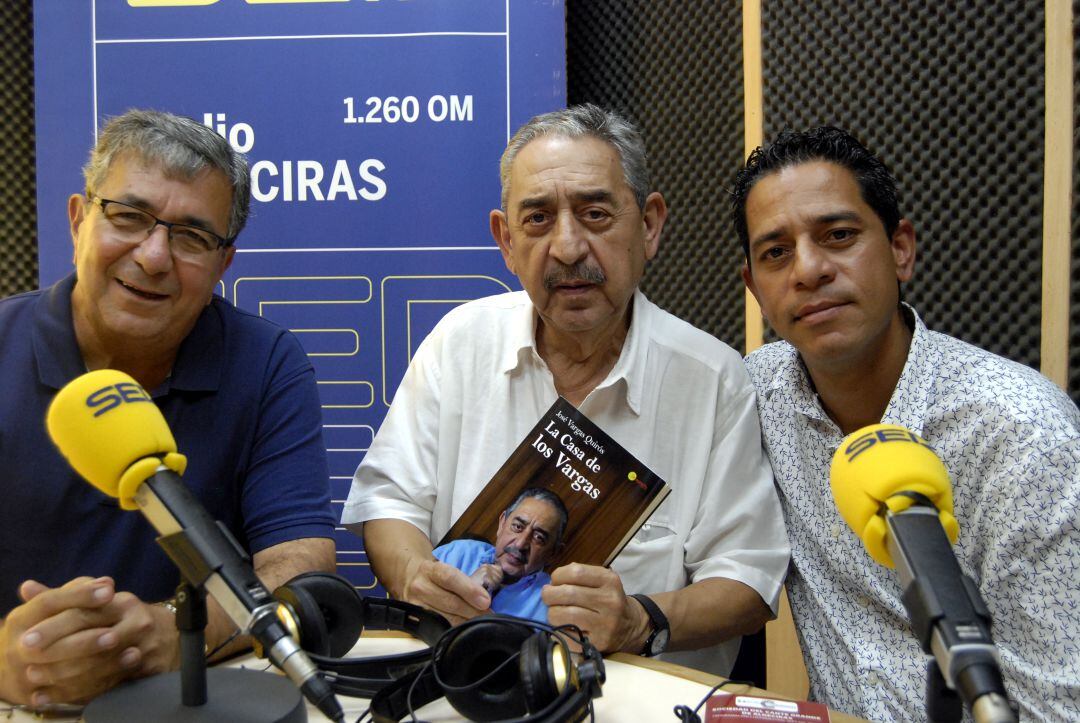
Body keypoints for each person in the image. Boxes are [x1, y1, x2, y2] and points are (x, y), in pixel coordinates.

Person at [343, 103, 789, 675]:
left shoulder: (714, 379)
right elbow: (388, 500)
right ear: (505, 240)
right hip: (462, 686)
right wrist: (411, 574)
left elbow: (747, 580)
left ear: (649, 225)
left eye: (596, 214)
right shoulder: (460, 341)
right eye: (538, 220)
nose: (568, 247)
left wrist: (641, 619)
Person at [734, 126, 1080, 720]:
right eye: (776, 253)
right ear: (755, 289)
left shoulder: (1024, 437)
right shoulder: (750, 395)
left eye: (838, 236)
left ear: (901, 250)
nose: (809, 269)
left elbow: (1058, 707)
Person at [0, 110, 337, 708]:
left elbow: (299, 569)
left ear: (223, 264)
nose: (154, 256)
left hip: (189, 699)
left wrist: (174, 634)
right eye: (129, 217)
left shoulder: (268, 364)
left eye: (191, 236)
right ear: (78, 219)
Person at [433, 487, 568, 621]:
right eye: (517, 527)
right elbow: (416, 600)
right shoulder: (459, 552)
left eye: (538, 537)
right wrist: (467, 588)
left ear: (553, 553)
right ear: (502, 523)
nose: (520, 544)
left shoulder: (552, 603)